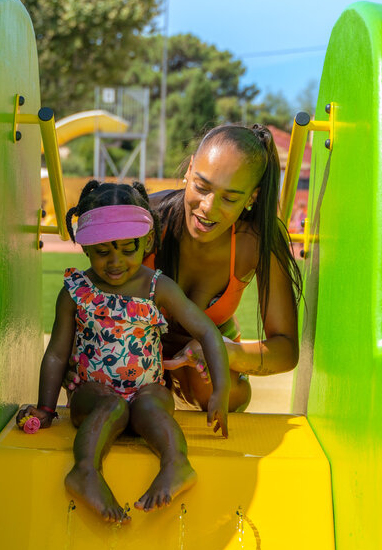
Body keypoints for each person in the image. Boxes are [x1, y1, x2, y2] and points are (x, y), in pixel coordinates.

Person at [19, 181, 231, 524]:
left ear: (147, 241)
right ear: (86, 248)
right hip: (93, 397)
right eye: (103, 251)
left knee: (152, 400)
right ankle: (85, 471)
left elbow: (206, 330)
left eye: (127, 249)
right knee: (111, 403)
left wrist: (221, 390)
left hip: (146, 393)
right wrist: (45, 408)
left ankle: (177, 463)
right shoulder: (76, 292)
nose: (115, 261)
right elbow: (57, 354)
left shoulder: (157, 287)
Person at [84, 124, 303, 412]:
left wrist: (225, 351)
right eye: (202, 187)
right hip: (133, 357)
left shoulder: (258, 241)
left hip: (202, 374)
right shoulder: (146, 220)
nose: (209, 207)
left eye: (230, 198)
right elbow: (89, 306)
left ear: (252, 197)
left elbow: (285, 350)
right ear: (189, 170)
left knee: (215, 386)